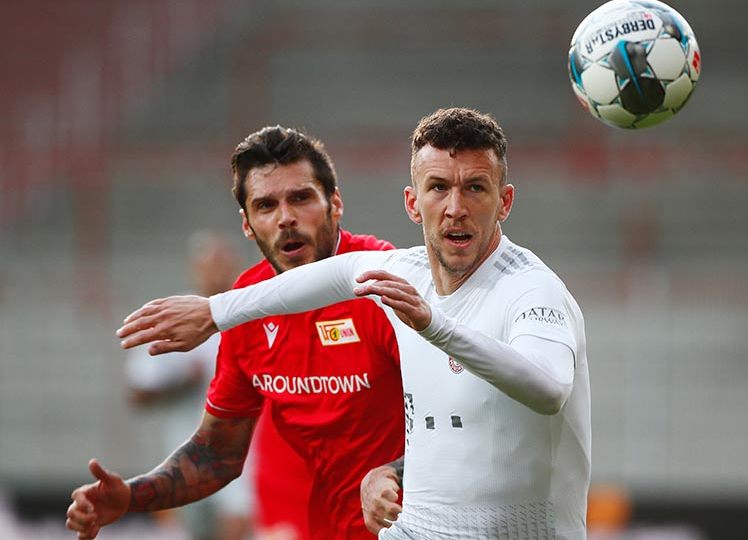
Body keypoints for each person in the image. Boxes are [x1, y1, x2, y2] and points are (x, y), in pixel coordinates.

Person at [106, 107, 591, 540]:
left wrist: (433, 329)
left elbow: (547, 388)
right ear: (412, 202)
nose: (455, 207)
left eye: (475, 188)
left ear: (504, 202)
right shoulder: (402, 275)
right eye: (439, 187)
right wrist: (214, 313)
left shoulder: (531, 290)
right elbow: (324, 279)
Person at [66, 126, 406, 540]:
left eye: (300, 198)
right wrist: (130, 496)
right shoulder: (246, 306)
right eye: (266, 205)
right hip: (322, 527)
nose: (285, 217)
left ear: (335, 204)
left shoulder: (385, 280)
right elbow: (217, 455)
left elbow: (459, 421)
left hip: (419, 526)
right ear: (248, 225)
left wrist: (391, 473)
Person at [124, 231, 255, 540]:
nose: (218, 270)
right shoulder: (175, 319)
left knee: (235, 528)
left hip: (242, 454)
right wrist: (182, 381)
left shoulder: (251, 316)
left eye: (224, 262)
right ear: (195, 268)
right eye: (211, 263)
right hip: (186, 451)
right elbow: (138, 392)